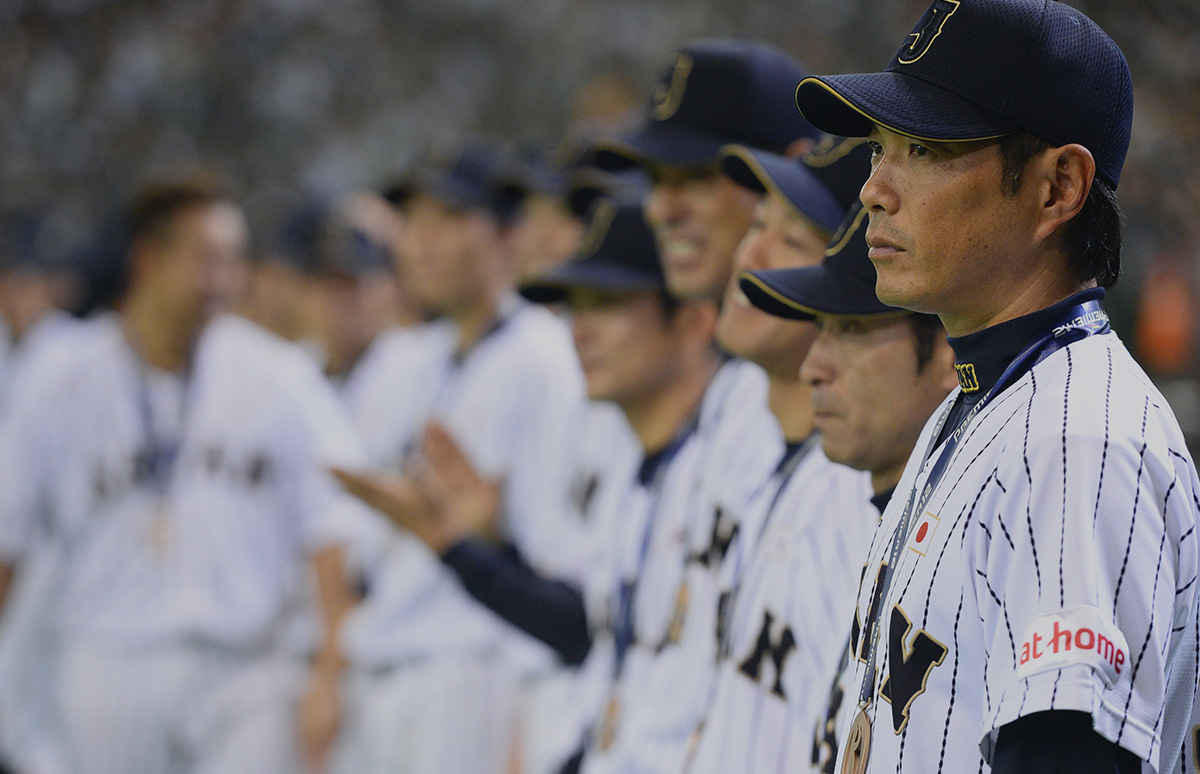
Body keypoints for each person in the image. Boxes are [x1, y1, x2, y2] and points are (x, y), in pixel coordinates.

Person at [791, 0, 1200, 771]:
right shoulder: (985, 400)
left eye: (924, 148)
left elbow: (1066, 756)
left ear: (1057, 188)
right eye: (880, 148)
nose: (873, 188)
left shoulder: (1079, 439)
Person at [0, 176, 371, 774]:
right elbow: (7, 540)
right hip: (111, 658)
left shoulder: (279, 376)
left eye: (233, 262)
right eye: (208, 261)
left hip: (248, 666)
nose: (224, 280)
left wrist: (329, 673)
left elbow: (332, 534)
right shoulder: (60, 380)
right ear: (148, 260)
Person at [325, 143, 589, 774]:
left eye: (446, 220)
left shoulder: (547, 361)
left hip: (473, 674)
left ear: (505, 237)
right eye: (413, 222)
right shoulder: (403, 361)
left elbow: (555, 555)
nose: (423, 242)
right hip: (382, 668)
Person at [682, 139, 902, 774]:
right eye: (757, 225)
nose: (747, 258)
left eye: (790, 241)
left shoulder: (860, 488)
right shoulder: (739, 409)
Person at [735, 200, 958, 772]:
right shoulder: (877, 511)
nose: (814, 366)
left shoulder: (978, 529)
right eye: (821, 330)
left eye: (851, 330)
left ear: (947, 357)